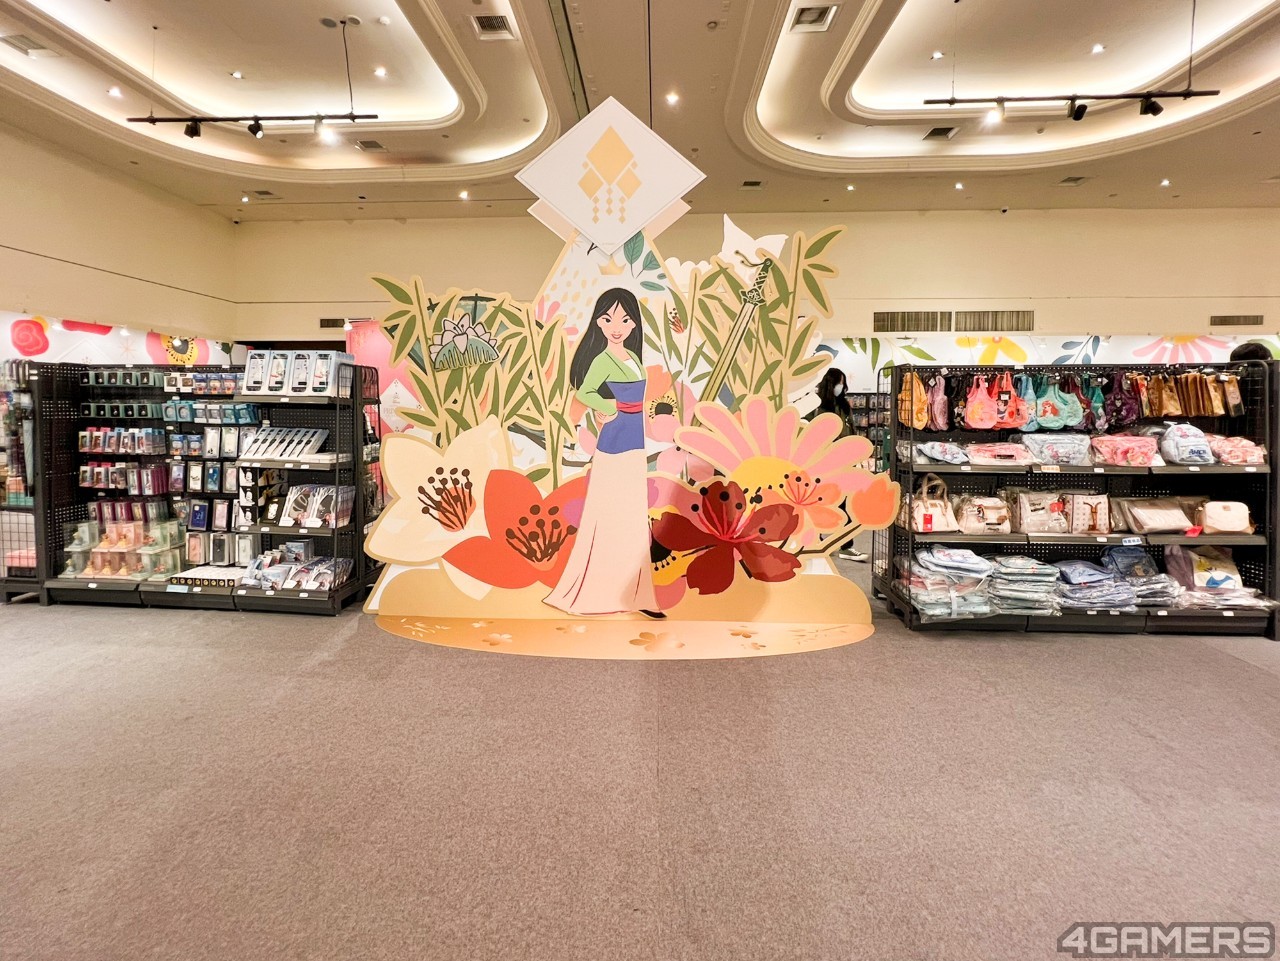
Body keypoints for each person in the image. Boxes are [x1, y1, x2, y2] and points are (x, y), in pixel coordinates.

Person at [545, 288, 663, 618]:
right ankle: (599, 594)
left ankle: (637, 594)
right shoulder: (602, 360)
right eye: (608, 319)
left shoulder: (634, 358)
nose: (616, 327)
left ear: (634, 324)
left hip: (635, 442)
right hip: (614, 443)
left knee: (632, 518)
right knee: (609, 515)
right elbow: (585, 392)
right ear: (598, 322)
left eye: (624, 320)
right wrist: (609, 407)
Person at [808, 367, 869, 562]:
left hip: (845, 464)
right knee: (819, 503)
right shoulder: (816, 406)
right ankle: (816, 541)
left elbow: (852, 432)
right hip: (822, 466)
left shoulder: (844, 405)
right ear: (830, 383)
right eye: (839, 383)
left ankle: (846, 546)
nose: (841, 386)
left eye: (843, 383)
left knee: (846, 505)